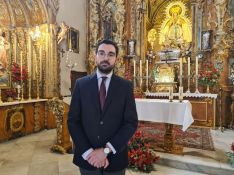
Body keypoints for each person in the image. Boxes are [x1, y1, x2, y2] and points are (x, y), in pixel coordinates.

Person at [67, 39, 138, 175]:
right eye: (102, 53)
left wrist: (106, 151)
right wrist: (89, 153)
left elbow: (130, 123)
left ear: (116, 59)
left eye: (111, 54)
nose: (106, 58)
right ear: (96, 56)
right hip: (87, 158)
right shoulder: (81, 85)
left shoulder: (125, 87)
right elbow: (73, 121)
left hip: (115, 159)